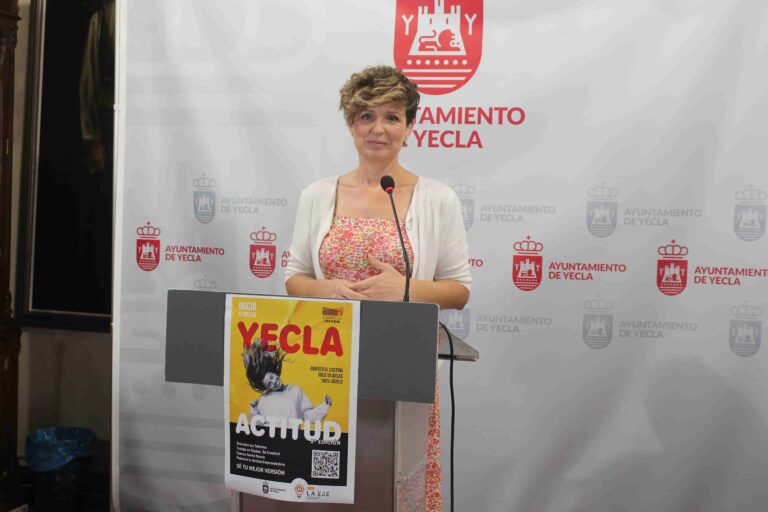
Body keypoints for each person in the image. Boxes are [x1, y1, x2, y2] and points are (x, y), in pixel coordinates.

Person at [285, 65, 471, 511]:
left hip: (400, 366)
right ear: (351, 124)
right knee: (321, 481)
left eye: (392, 117)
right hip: (321, 363)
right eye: (366, 116)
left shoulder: (437, 198)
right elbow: (295, 278)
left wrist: (404, 289)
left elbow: (458, 290)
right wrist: (329, 288)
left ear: (410, 126)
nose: (378, 129)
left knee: (389, 482)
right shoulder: (317, 194)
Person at [243, 343, 332, 425]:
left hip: (291, 436)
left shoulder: (295, 391)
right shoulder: (264, 399)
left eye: (272, 377)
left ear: (275, 373)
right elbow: (257, 423)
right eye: (269, 384)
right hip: (269, 436)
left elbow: (307, 416)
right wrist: (254, 410)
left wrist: (324, 406)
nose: (274, 381)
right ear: (267, 387)